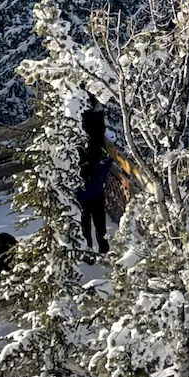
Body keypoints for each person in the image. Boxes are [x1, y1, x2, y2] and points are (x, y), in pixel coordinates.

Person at [78, 93, 112, 256]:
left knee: (85, 217)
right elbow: (99, 134)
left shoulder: (77, 117)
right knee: (98, 216)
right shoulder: (97, 118)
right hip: (94, 174)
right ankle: (102, 247)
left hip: (82, 176)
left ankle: (89, 249)